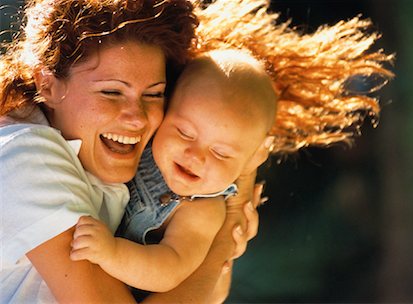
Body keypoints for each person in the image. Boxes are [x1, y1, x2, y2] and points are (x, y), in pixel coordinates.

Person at [0, 0, 261, 303]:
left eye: (154, 94)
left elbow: (210, 292)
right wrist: (225, 231)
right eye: (111, 92)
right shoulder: (26, 155)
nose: (137, 117)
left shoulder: (131, 165)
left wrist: (205, 230)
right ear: (48, 85)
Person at [69, 49, 277, 293]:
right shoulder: (143, 142)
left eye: (220, 153)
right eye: (184, 133)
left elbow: (169, 269)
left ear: (254, 158)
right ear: (165, 111)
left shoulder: (203, 210)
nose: (194, 156)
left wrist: (111, 252)